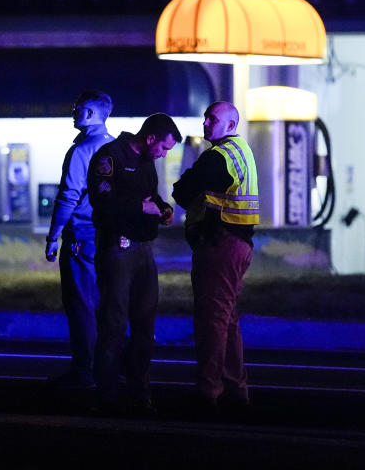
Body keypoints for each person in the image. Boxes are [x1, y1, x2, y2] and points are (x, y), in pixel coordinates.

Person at [88, 112, 182, 414]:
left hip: (143, 249)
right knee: (114, 322)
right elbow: (100, 198)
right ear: (151, 138)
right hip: (117, 246)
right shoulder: (110, 156)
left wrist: (162, 208)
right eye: (164, 148)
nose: (164, 154)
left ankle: (139, 391)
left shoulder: (146, 162)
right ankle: (107, 394)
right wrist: (138, 207)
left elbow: (150, 194)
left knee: (145, 323)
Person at [172, 101, 259, 412]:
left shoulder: (218, 156)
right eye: (205, 117)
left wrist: (185, 189)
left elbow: (182, 191)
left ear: (231, 125)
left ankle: (209, 391)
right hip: (239, 244)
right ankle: (236, 389)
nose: (206, 123)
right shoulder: (242, 151)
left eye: (213, 118)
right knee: (228, 320)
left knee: (212, 321)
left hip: (220, 244)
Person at [44, 90, 115, 389]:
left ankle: (84, 373)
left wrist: (53, 236)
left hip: (82, 237)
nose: (73, 112)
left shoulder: (82, 150)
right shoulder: (115, 148)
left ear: (90, 113)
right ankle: (109, 370)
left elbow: (68, 196)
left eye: (78, 108)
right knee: (107, 305)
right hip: (109, 237)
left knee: (82, 305)